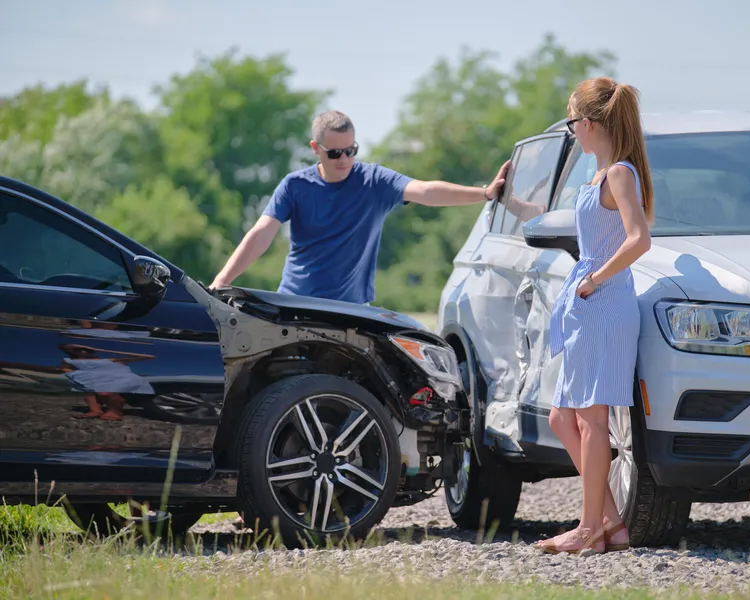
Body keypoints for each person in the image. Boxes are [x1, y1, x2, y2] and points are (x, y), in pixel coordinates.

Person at [209, 111, 509, 304]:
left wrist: (484, 193)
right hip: (295, 303)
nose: (344, 160)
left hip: (353, 311)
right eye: (335, 152)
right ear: (315, 149)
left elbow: (426, 191)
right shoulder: (295, 185)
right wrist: (222, 281)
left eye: (351, 151)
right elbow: (262, 233)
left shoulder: (374, 180)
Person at [535, 77, 654, 555]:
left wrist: (594, 279)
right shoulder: (600, 174)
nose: (572, 133)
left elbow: (639, 239)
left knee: (590, 420)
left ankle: (589, 530)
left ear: (586, 123)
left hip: (602, 304)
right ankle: (609, 523)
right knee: (562, 417)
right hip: (588, 305)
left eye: (571, 123)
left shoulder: (619, 173)